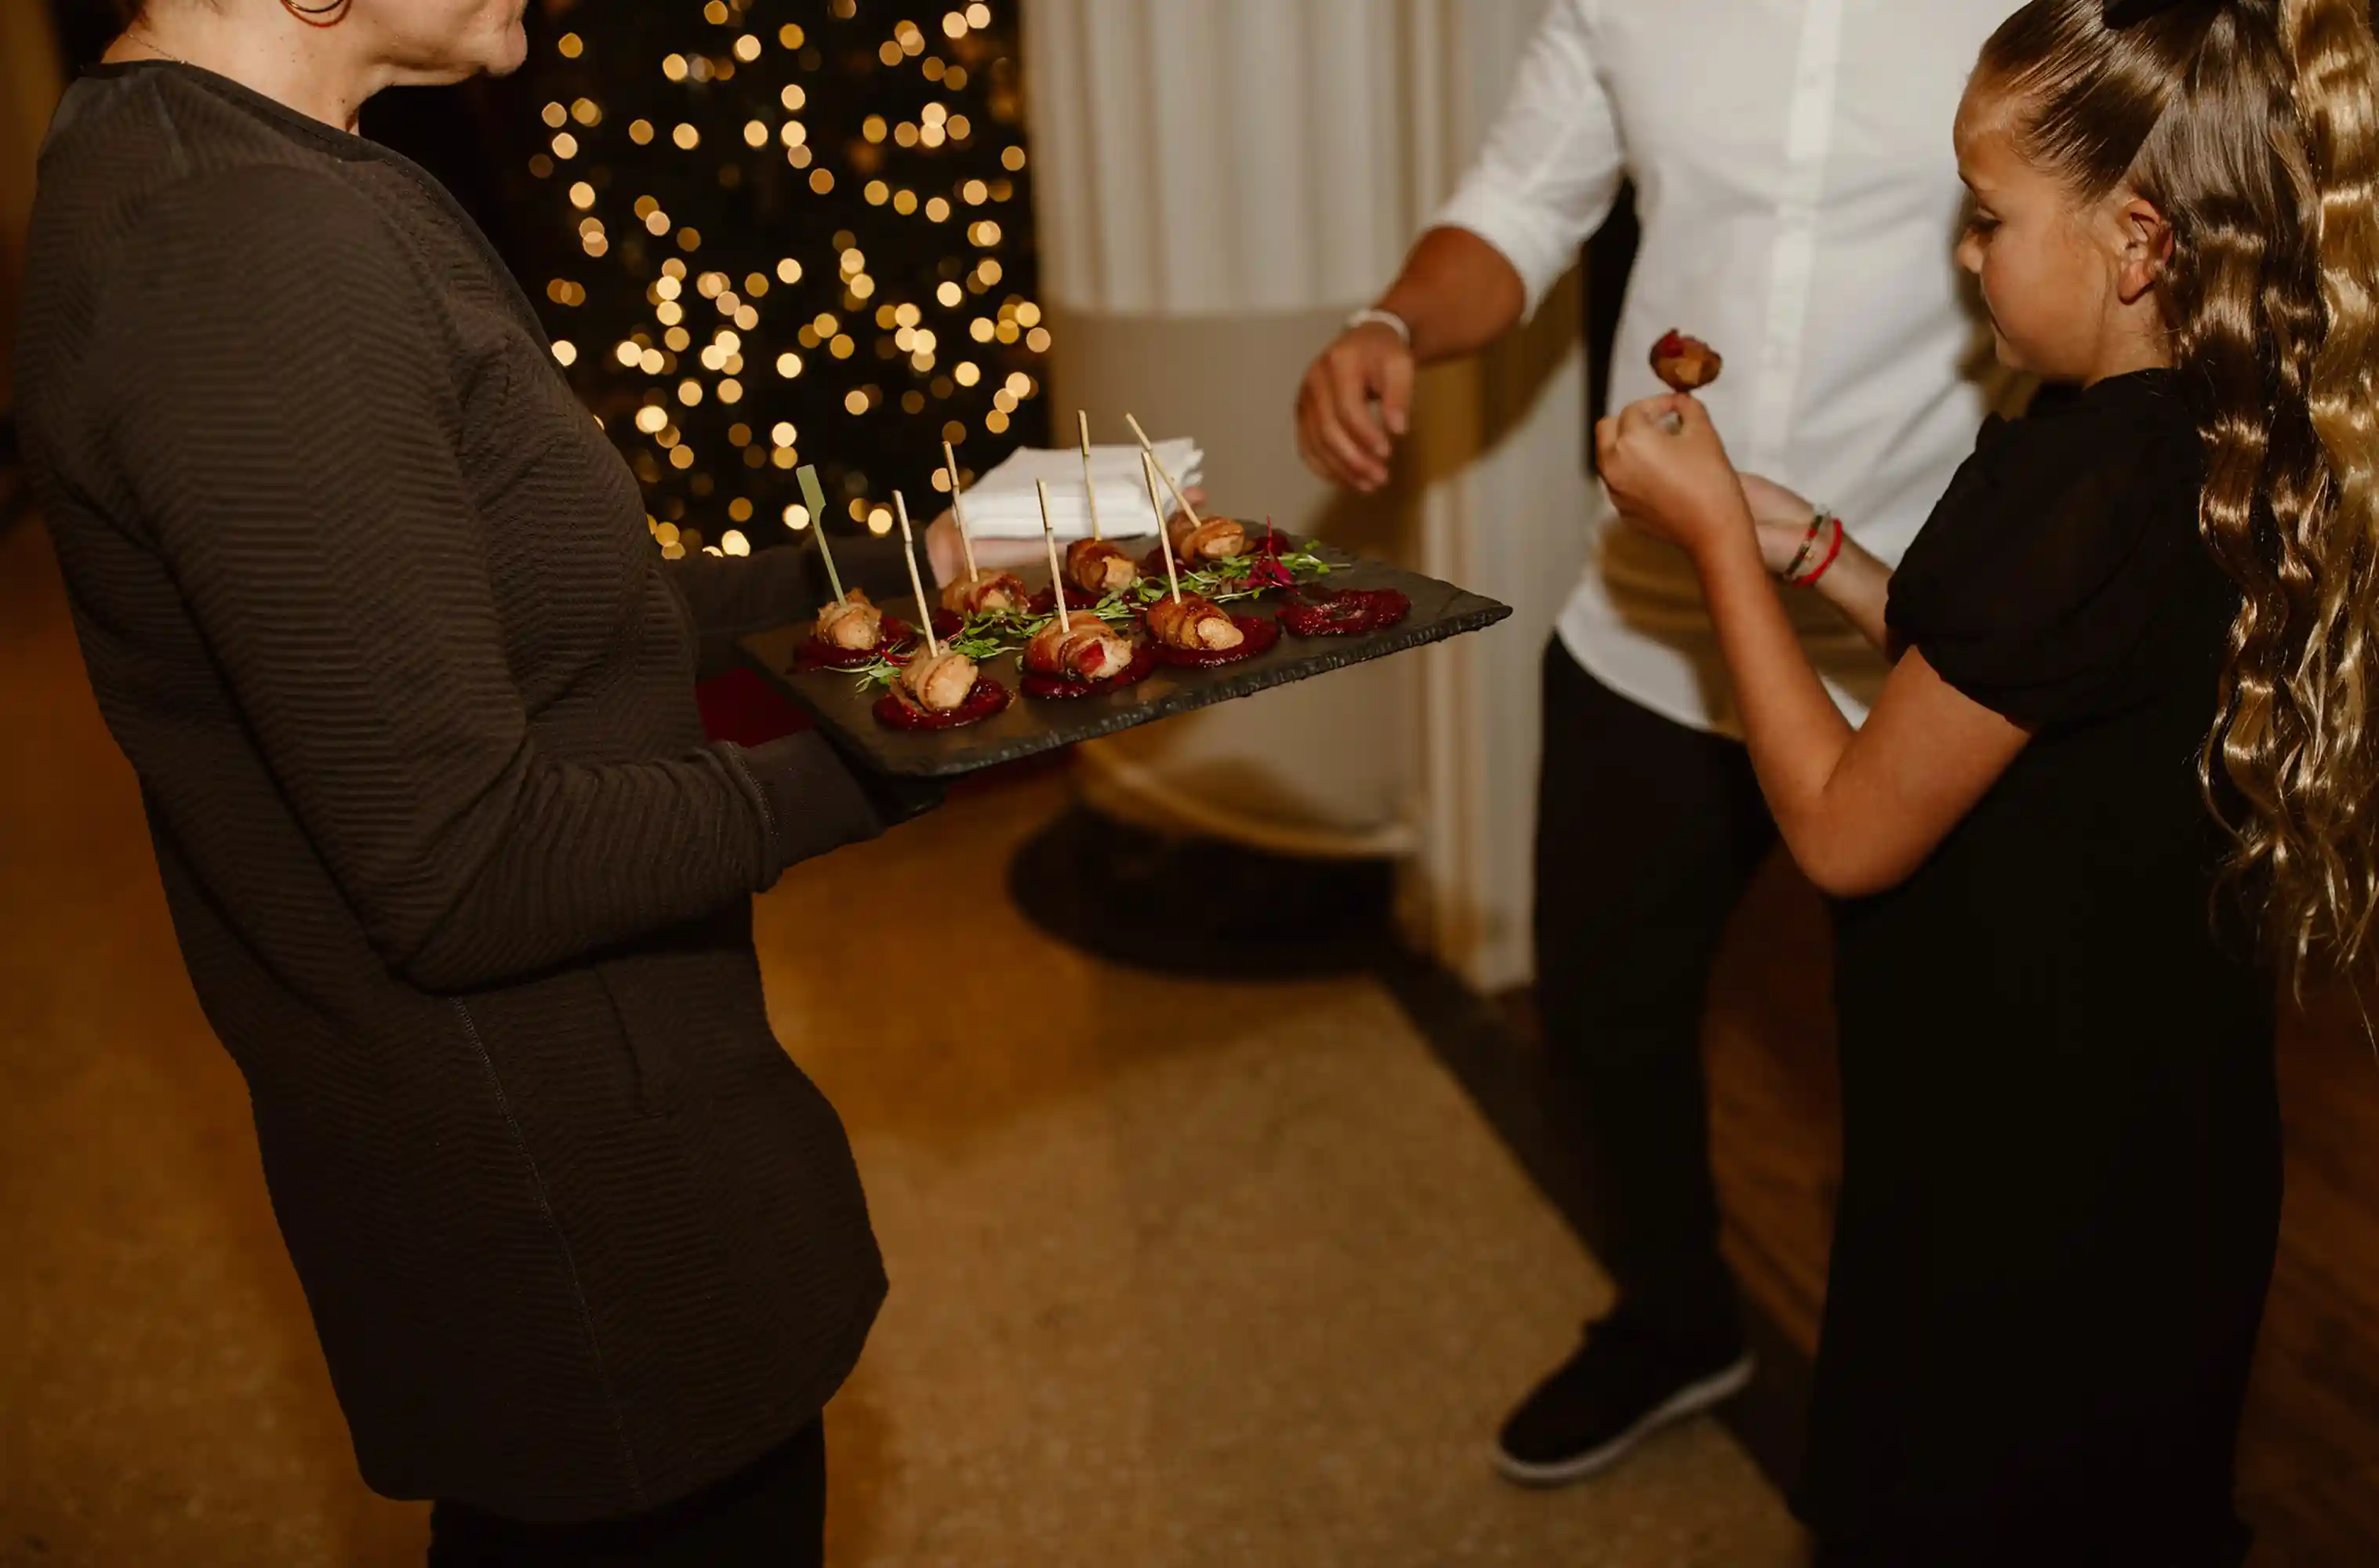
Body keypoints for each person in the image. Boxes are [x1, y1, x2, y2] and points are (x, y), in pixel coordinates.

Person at [16, 2, 937, 1562]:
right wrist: (897, 751)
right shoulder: (240, 251)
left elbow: (542, 608)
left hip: (599, 1133)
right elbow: (464, 864)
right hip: (564, 1211)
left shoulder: (284, 176)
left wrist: (903, 577)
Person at [1597, 0, 2379, 1556]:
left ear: (2136, 241)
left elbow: (1835, 830)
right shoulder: (2219, 428)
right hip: (2156, 1126)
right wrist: (1808, 546)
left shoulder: (2078, 484)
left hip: (2025, 1169)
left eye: (1987, 219)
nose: (1964, 258)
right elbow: (2012, 674)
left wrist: (1704, 551)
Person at [1296, 0, 2025, 1483]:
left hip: (1934, 636)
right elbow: (1517, 205)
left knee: (1945, 1075)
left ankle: (1947, 1433)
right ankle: (1674, 1317)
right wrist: (1388, 324)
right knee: (1603, 1013)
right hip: (1652, 619)